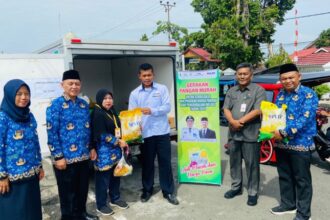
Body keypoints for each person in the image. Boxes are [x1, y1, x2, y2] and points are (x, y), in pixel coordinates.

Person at [46, 70, 98, 220]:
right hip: (65, 159)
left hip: (83, 156)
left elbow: (88, 128)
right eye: (70, 83)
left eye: (77, 83)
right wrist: (58, 156)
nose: (74, 86)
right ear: (62, 85)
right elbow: (52, 133)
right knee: (68, 193)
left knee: (82, 190)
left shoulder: (83, 104)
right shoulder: (55, 105)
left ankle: (81, 214)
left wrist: (92, 147)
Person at [270, 63, 318, 220]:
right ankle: (288, 204)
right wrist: (270, 129)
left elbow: (304, 119)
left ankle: (304, 214)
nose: (287, 81)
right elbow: (276, 116)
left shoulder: (309, 94)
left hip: (301, 144)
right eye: (284, 78)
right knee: (284, 175)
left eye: (291, 77)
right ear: (280, 80)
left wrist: (282, 132)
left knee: (302, 180)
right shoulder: (281, 95)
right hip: (282, 143)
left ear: (299, 77)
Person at [128, 63, 179, 205]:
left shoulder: (161, 89)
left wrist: (152, 110)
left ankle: (168, 191)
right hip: (146, 134)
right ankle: (147, 190)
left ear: (153, 75)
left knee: (165, 163)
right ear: (139, 76)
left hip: (162, 132)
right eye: (144, 75)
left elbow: (167, 107)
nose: (147, 78)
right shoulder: (134, 93)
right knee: (147, 164)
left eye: (149, 75)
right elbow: (132, 114)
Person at [223, 62, 266, 206]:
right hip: (233, 134)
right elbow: (226, 108)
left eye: (245, 74)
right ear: (236, 75)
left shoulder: (258, 90)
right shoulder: (231, 91)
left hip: (251, 134)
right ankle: (236, 187)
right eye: (239, 74)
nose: (242, 76)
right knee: (234, 162)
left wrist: (239, 121)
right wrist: (231, 121)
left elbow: (258, 110)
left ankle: (253, 192)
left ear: (251, 75)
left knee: (252, 164)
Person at [0, 79, 44, 220]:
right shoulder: (2, 117)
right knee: (15, 213)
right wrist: (2, 176)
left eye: (27, 94)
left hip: (31, 175)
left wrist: (40, 166)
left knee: (32, 211)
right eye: (19, 94)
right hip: (12, 179)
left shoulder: (28, 116)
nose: (24, 97)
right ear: (9, 95)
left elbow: (35, 142)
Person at [89, 89, 129, 216]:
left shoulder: (111, 111)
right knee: (103, 180)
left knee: (115, 175)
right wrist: (118, 142)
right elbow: (101, 135)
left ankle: (115, 198)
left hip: (115, 151)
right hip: (103, 153)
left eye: (110, 98)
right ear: (100, 99)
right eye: (105, 98)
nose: (108, 101)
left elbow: (117, 128)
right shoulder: (98, 113)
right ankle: (101, 205)